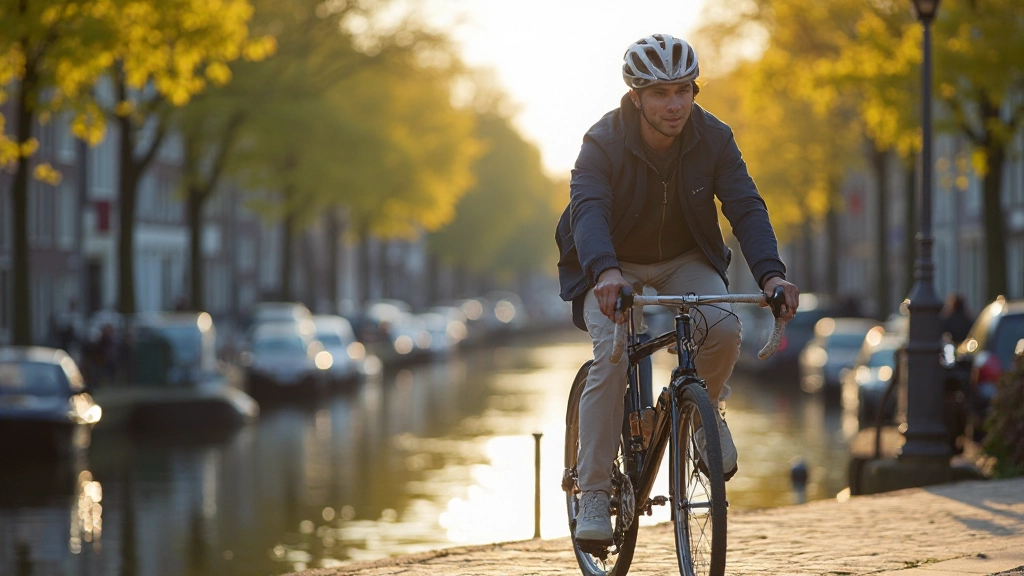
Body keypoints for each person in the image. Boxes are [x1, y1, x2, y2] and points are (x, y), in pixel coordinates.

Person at [554, 34, 800, 544]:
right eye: (662, 93)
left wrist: (771, 275)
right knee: (614, 351)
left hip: (684, 258)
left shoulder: (715, 138)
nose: (675, 104)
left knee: (724, 328)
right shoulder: (602, 140)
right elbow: (589, 209)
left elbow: (745, 206)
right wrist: (604, 271)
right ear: (637, 97)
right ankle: (595, 492)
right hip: (611, 263)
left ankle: (704, 409)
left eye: (684, 91)